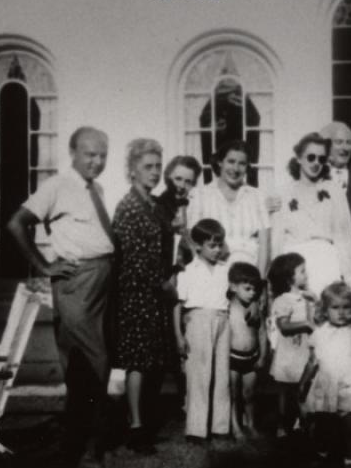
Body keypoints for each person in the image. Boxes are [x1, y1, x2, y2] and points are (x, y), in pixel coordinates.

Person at [6, 126, 113, 468]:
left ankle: (80, 440)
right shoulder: (57, 185)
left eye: (102, 155)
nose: (96, 161)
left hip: (101, 283)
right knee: (93, 364)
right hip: (76, 284)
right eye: (89, 154)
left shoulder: (95, 188)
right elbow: (16, 224)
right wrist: (42, 266)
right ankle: (87, 448)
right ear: (73, 152)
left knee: (89, 365)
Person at [111, 139, 177, 454]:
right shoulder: (129, 206)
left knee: (150, 360)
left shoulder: (151, 204)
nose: (154, 173)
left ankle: (142, 422)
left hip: (153, 293)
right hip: (136, 292)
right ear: (133, 170)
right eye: (148, 167)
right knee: (137, 361)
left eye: (157, 167)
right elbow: (132, 260)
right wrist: (162, 284)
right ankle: (135, 426)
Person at [273, 132, 351, 295]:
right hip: (295, 266)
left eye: (321, 159)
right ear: (298, 158)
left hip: (326, 262)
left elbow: (344, 237)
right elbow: (277, 240)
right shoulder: (283, 193)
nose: (316, 163)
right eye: (311, 157)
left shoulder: (333, 190)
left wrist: (350, 278)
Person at [299, 281, 351, 467]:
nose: (341, 312)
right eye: (335, 307)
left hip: (349, 384)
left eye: (346, 307)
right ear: (325, 310)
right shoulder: (320, 332)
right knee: (323, 424)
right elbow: (312, 361)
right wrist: (303, 382)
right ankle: (322, 453)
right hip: (325, 383)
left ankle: (350, 458)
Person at [174, 219, 231, 441]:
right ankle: (196, 429)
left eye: (220, 245)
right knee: (199, 375)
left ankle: (220, 426)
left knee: (222, 375)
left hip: (222, 320)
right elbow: (177, 305)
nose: (217, 250)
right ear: (198, 246)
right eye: (212, 245)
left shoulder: (226, 270)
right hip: (197, 321)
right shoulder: (188, 271)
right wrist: (178, 336)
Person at [187, 140, 271, 274]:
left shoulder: (256, 196)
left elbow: (265, 245)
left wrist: (259, 281)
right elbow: (193, 241)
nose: (236, 169)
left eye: (242, 164)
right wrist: (205, 274)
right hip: (212, 271)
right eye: (231, 162)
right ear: (220, 162)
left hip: (248, 274)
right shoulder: (200, 195)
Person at [268, 252, 317, 438]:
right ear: (289, 277)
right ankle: (282, 424)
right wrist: (306, 324)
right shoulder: (283, 300)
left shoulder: (307, 297)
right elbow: (283, 325)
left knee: (303, 389)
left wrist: (316, 301)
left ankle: (302, 423)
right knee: (285, 391)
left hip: (304, 351)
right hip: (288, 353)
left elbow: (317, 318)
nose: (307, 275)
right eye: (302, 271)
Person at [319, 122, 351, 288]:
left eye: (349, 142)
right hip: (324, 257)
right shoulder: (314, 175)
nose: (345, 148)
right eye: (338, 142)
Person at [227, 261, 268, 440]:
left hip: (251, 357)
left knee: (249, 395)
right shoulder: (228, 306)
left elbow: (262, 333)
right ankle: (235, 426)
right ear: (234, 287)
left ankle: (251, 424)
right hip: (232, 357)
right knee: (234, 394)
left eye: (255, 290)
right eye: (248, 289)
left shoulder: (256, 309)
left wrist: (263, 356)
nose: (252, 293)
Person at [157, 155, 202, 270]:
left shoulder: (195, 206)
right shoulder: (158, 206)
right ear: (168, 177)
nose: (182, 186)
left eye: (188, 182)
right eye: (178, 179)